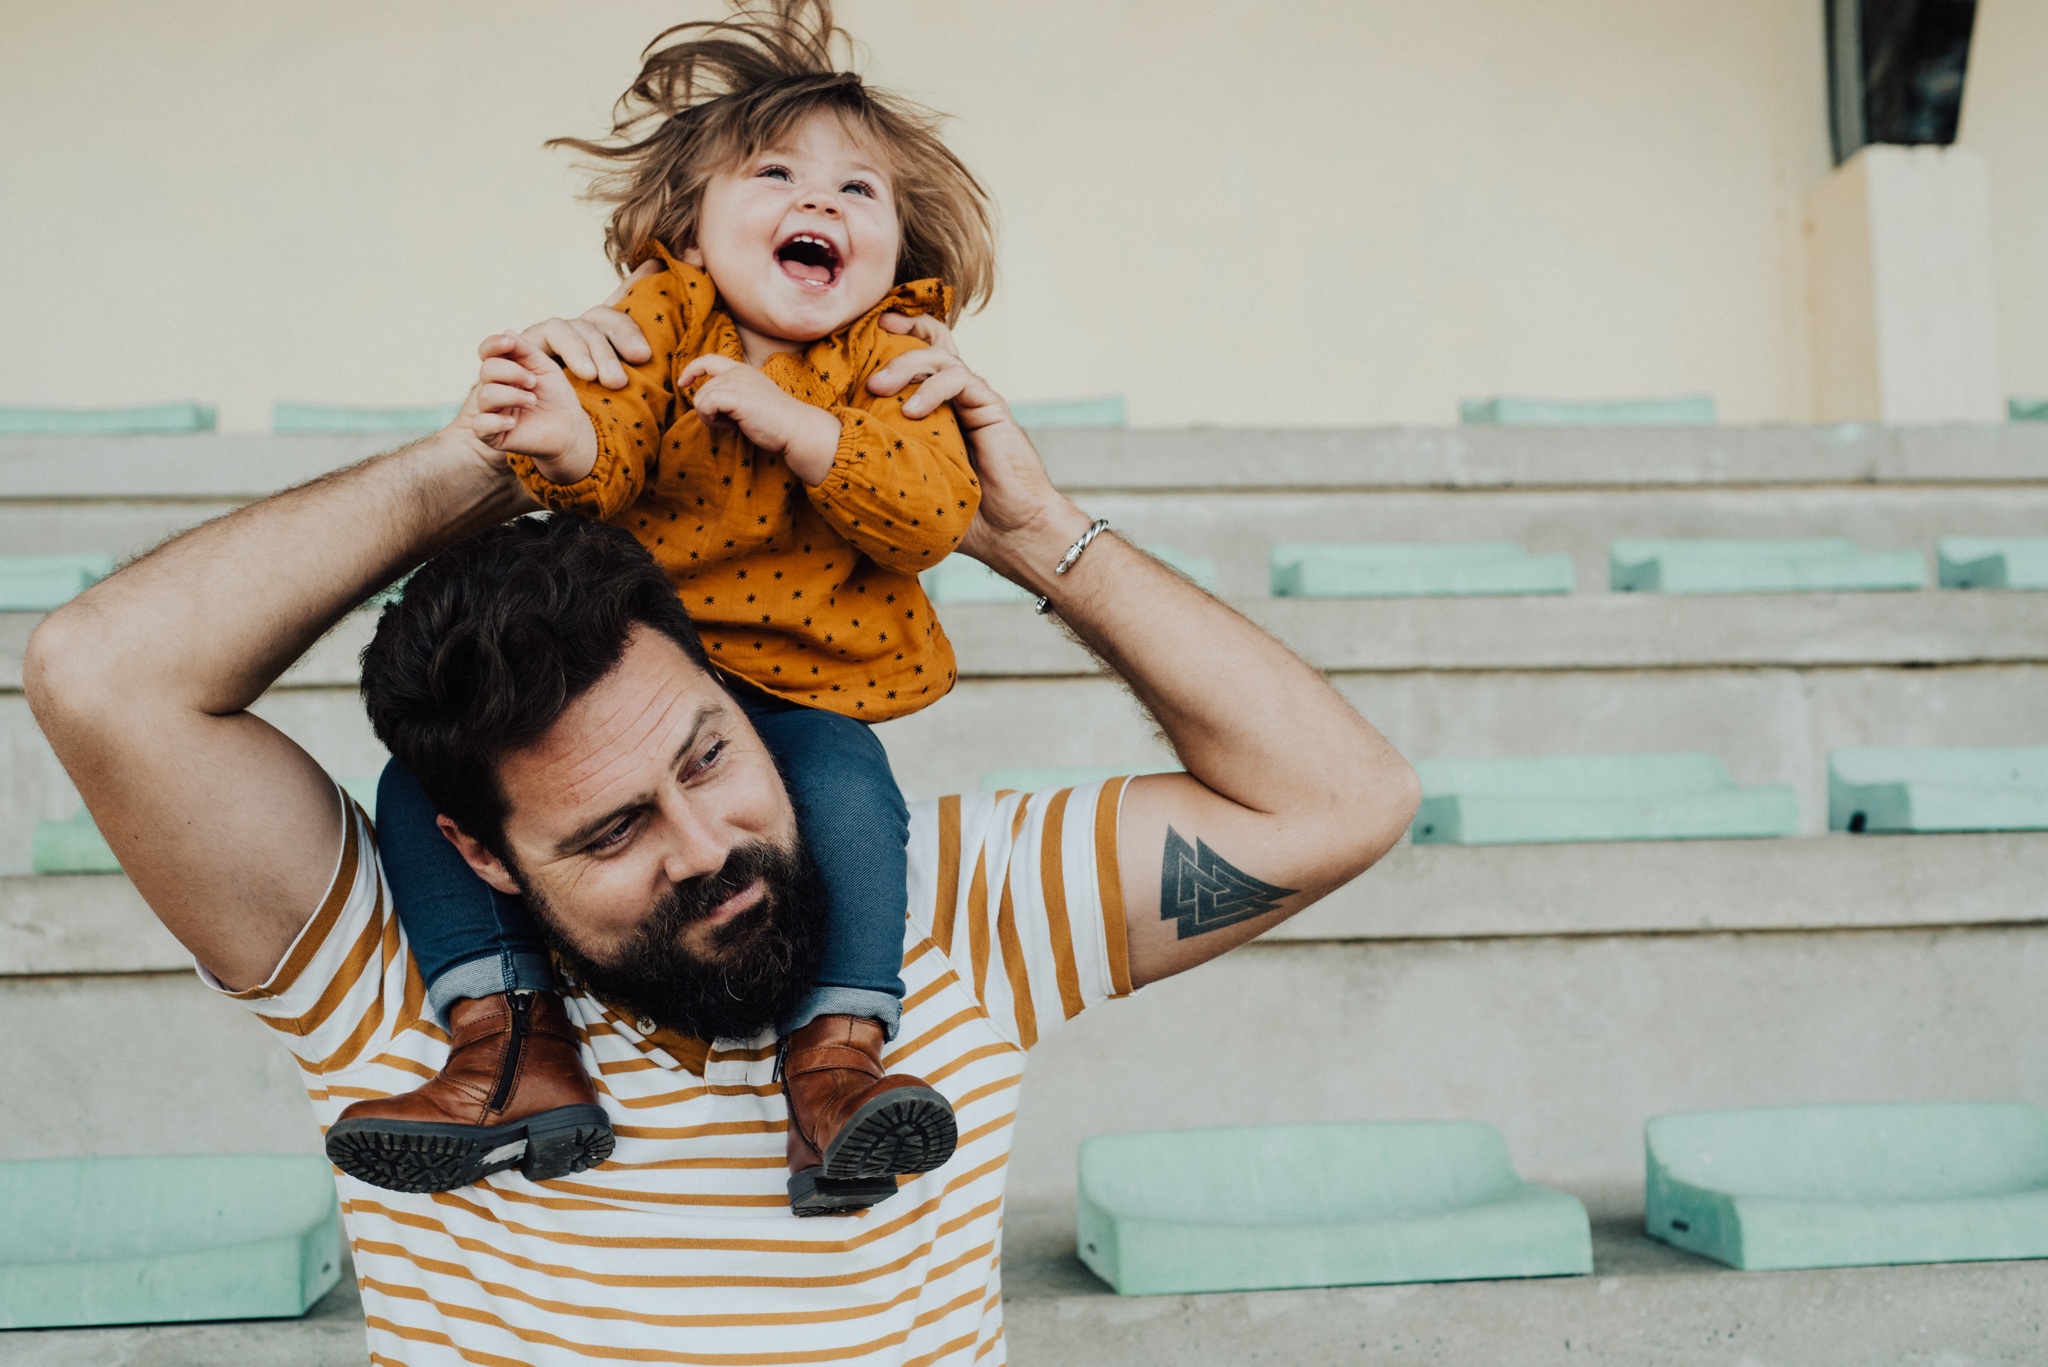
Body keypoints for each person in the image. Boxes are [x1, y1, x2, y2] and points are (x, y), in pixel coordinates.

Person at [24, 317, 1419, 1362]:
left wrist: (1030, 528)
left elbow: (1343, 799)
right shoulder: (379, 967)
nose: (708, 844)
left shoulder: (965, 911)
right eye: (615, 826)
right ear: (487, 854)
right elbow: (100, 672)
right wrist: (490, 455)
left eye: (709, 753)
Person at [344, 0, 1000, 1214]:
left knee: (849, 787)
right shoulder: (662, 317)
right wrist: (560, 430)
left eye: (861, 190)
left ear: (899, 245)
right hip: (632, 673)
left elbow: (927, 514)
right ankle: (510, 1050)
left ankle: (835, 1071)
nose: (823, 203)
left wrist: (801, 428)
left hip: (799, 689)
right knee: (423, 789)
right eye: (776, 174)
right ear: (688, 229)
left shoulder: (894, 354)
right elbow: (618, 428)